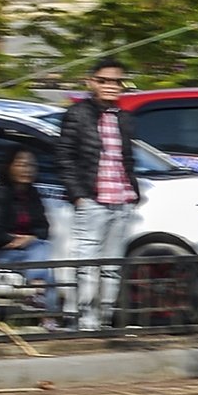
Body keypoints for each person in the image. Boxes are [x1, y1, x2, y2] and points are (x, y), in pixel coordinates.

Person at [59, 58, 140, 331]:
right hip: (92, 200)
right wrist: (78, 196)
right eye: (104, 80)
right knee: (87, 264)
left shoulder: (124, 117)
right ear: (91, 82)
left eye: (116, 81)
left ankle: (105, 319)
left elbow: (127, 159)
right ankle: (87, 321)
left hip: (121, 199)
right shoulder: (77, 114)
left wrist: (133, 193)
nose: (110, 86)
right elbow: (65, 158)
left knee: (113, 265)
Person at [0, 147, 61, 327]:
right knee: (44, 259)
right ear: (10, 167)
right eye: (22, 164)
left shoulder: (33, 194)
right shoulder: (2, 193)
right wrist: (13, 239)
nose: (28, 169)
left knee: (42, 249)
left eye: (32, 165)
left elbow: (44, 228)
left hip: (29, 251)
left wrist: (28, 239)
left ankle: (38, 293)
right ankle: (47, 316)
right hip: (4, 252)